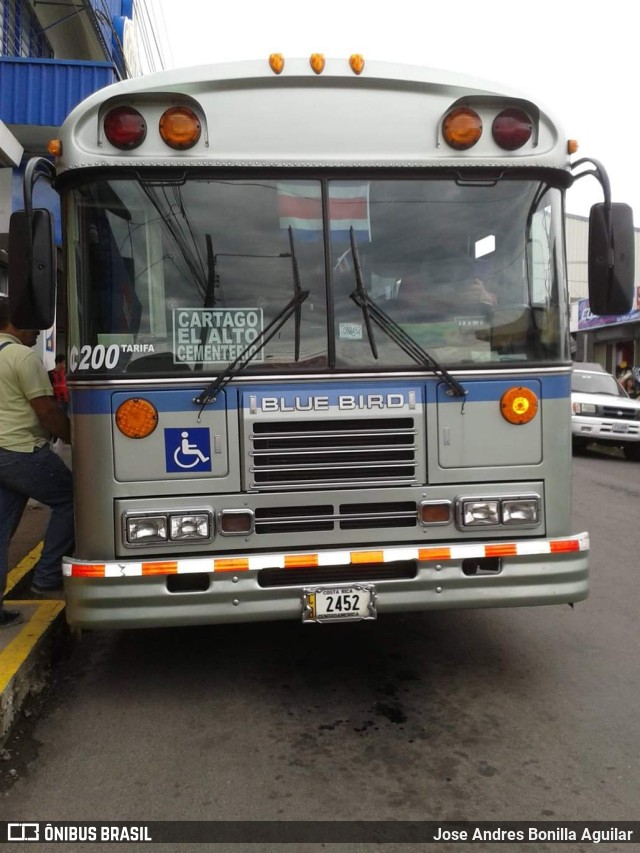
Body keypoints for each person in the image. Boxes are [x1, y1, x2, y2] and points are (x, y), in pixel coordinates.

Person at [0, 298, 74, 628]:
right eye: (32, 324)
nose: (37, 332)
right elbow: (46, 410)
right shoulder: (20, 356)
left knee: (2, 531)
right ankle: (46, 577)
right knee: (72, 499)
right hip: (21, 451)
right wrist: (75, 438)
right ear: (14, 323)